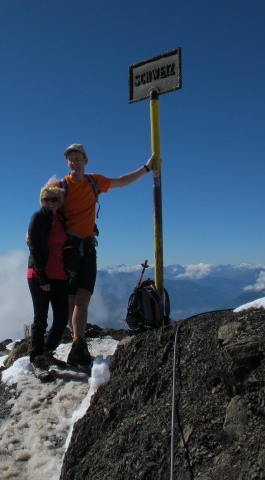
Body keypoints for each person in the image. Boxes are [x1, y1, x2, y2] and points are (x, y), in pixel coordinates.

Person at [57, 143, 155, 370]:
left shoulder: (94, 181)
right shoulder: (61, 186)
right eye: (70, 159)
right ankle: (76, 342)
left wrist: (145, 169)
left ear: (85, 160)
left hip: (88, 248)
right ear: (67, 163)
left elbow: (121, 181)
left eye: (77, 158)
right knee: (72, 300)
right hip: (69, 250)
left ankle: (78, 342)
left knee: (83, 298)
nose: (74, 162)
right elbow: (47, 209)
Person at [26, 180, 70, 370]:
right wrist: (42, 277)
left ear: (59, 201)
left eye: (53, 199)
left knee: (61, 317)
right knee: (41, 317)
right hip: (39, 274)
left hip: (59, 273)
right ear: (41, 200)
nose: (49, 202)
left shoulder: (61, 218)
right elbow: (34, 247)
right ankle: (36, 357)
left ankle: (48, 351)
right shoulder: (38, 217)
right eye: (45, 199)